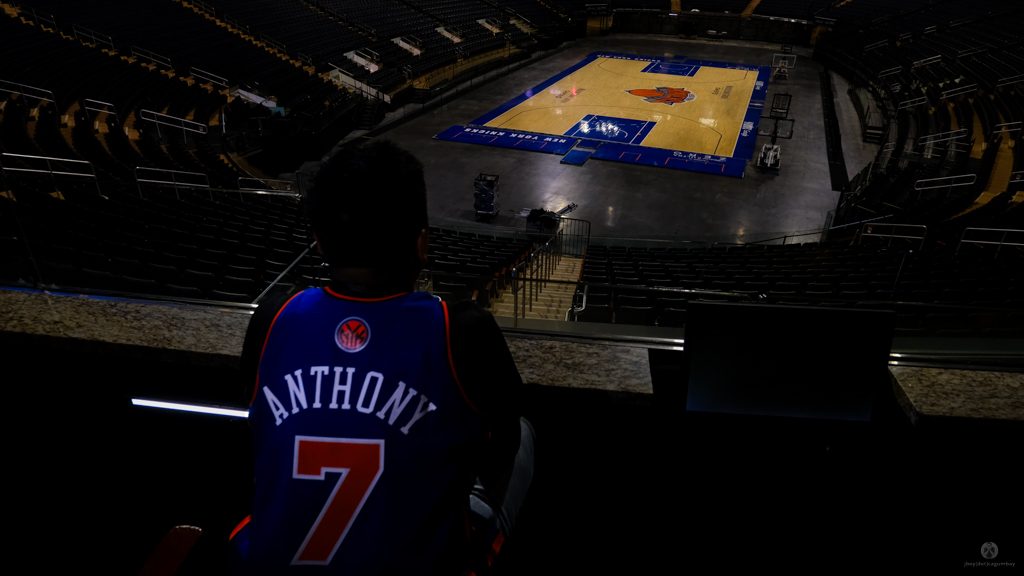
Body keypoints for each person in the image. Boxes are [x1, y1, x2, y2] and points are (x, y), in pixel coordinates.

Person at [230, 140, 533, 575]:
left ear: (319, 242)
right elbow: (501, 446)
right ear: (422, 244)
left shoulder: (274, 317)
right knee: (523, 435)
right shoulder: (459, 330)